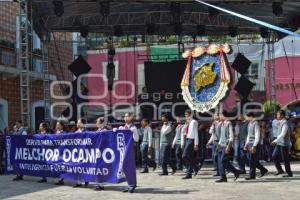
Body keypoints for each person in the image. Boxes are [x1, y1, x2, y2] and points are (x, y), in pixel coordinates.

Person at [215, 111, 241, 183]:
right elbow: (222, 136)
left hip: (226, 145)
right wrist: (219, 144)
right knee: (221, 162)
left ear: (223, 116)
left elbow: (231, 136)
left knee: (223, 161)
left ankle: (236, 171)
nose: (219, 117)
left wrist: (228, 146)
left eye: (220, 115)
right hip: (222, 145)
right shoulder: (222, 124)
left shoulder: (228, 123)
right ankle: (223, 177)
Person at [117, 112, 138, 193]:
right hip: (122, 150)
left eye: (127, 116)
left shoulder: (133, 128)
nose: (125, 118)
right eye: (125, 116)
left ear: (131, 118)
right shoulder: (122, 127)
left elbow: (136, 139)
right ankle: (129, 184)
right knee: (124, 167)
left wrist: (130, 133)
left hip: (130, 150)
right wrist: (115, 131)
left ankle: (132, 184)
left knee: (130, 167)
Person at [244, 113, 268, 180]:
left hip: (254, 144)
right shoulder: (249, 124)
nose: (246, 118)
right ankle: (263, 169)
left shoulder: (256, 124)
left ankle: (252, 175)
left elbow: (257, 136)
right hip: (250, 143)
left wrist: (254, 146)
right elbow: (248, 135)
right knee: (252, 160)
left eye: (247, 117)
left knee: (252, 160)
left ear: (250, 117)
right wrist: (246, 144)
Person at [271, 110, 293, 177]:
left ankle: (289, 173)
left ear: (282, 115)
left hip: (284, 144)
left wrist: (275, 141)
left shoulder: (285, 123)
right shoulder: (279, 122)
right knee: (274, 156)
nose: (277, 116)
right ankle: (280, 170)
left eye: (278, 115)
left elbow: (283, 134)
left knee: (285, 159)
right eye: (277, 115)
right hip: (279, 143)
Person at [182, 110, 199, 179]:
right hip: (187, 139)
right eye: (185, 115)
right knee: (190, 157)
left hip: (191, 140)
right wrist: (185, 125)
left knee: (185, 155)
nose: (186, 116)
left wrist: (196, 144)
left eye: (187, 115)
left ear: (190, 115)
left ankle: (193, 168)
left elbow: (196, 133)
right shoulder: (187, 122)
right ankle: (192, 171)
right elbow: (183, 131)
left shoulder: (194, 122)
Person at [73, 118, 89, 188]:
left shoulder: (87, 132)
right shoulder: (75, 133)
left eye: (79, 122)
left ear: (83, 124)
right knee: (77, 167)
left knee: (85, 167)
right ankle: (78, 182)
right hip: (77, 152)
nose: (77, 124)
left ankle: (86, 180)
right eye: (77, 122)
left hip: (85, 152)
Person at [54, 121, 66, 186]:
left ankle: (61, 179)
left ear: (61, 126)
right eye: (56, 125)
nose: (57, 126)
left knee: (62, 166)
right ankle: (60, 179)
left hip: (63, 152)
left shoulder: (64, 133)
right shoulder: (55, 133)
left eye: (58, 125)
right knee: (58, 166)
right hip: (57, 152)